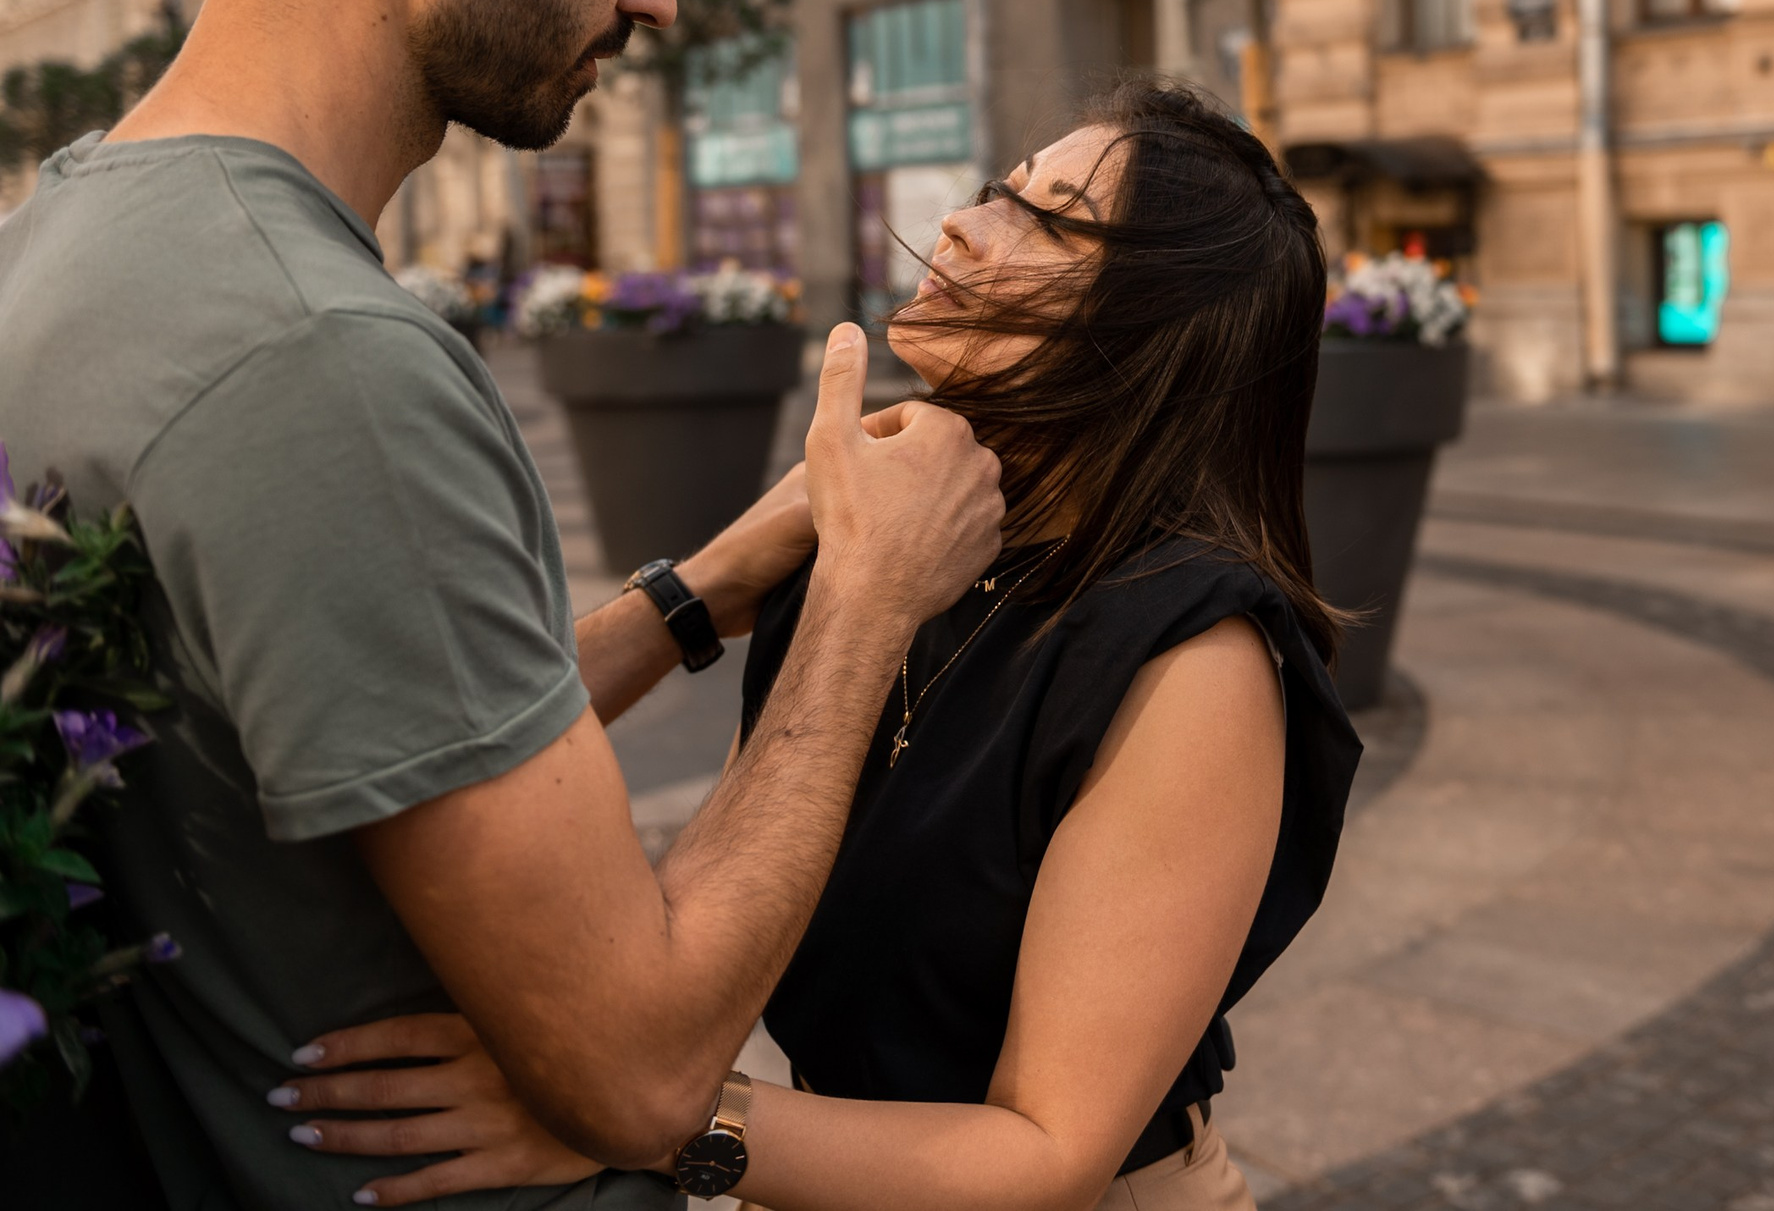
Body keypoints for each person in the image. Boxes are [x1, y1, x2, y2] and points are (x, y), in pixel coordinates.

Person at [0, 0, 1003, 1209]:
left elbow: (354, 719)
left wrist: (712, 588)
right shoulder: (323, 362)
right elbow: (643, 1064)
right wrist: (869, 604)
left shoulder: (69, 240)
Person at [280, 84, 1366, 1210]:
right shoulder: (876, 538)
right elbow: (487, 754)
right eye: (1002, 187)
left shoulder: (1191, 654)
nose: (961, 221)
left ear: (1152, 328)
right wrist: (703, 587)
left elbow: (1048, 1152)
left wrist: (631, 1114)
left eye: (1044, 219)